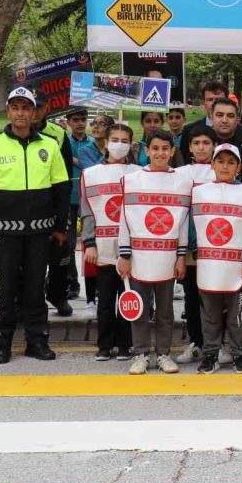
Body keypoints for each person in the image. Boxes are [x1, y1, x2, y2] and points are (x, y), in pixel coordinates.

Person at [0, 87, 68, 364]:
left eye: (26, 108)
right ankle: (1, 343)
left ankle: (36, 342)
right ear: (8, 111)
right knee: (6, 290)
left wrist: (61, 227)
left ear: (34, 111)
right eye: (15, 107)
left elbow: (61, 190)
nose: (21, 113)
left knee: (36, 288)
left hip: (40, 233)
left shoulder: (49, 145)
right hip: (3, 235)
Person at [117, 130, 191, 375]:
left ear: (172, 151)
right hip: (138, 256)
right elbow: (124, 220)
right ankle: (139, 354)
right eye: (155, 148)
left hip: (168, 257)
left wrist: (181, 256)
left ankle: (163, 354)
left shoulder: (183, 182)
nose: (160, 153)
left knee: (166, 310)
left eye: (165, 148)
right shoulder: (132, 180)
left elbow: (183, 223)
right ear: (146, 150)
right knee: (138, 307)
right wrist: (124, 254)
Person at [192, 143, 242, 375]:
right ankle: (210, 353)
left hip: (238, 268)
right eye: (220, 161)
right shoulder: (199, 192)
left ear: (239, 167)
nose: (225, 166)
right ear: (212, 164)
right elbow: (192, 225)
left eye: (231, 162)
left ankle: (240, 354)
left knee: (238, 315)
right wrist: (193, 248)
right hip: (209, 265)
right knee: (210, 315)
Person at [80, 123, 139, 361]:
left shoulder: (139, 172)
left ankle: (126, 344)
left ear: (131, 144)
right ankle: (104, 345)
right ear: (105, 143)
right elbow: (87, 211)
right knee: (105, 300)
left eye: (125, 140)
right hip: (102, 246)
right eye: (115, 139)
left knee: (128, 298)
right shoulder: (91, 174)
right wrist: (89, 242)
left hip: (131, 249)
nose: (119, 144)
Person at [173, 127, 217, 365]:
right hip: (188, 246)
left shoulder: (221, 171)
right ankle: (196, 342)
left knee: (213, 297)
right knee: (191, 296)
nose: (201, 147)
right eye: (196, 142)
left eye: (206, 142)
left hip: (215, 246)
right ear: (189, 147)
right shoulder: (179, 173)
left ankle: (216, 344)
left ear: (214, 146)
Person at [33, 92, 75, 317]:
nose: (35, 112)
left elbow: (66, 176)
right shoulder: (13, 134)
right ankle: (29, 299)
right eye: (31, 107)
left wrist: (63, 209)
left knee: (61, 254)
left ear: (46, 108)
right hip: (29, 206)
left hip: (54, 202)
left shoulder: (59, 134)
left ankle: (58, 295)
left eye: (39, 107)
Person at [66, 108, 97, 304]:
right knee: (68, 244)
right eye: (75, 120)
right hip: (69, 197)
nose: (79, 123)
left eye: (83, 120)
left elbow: (92, 165)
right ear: (68, 122)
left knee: (91, 243)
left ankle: (95, 285)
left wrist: (75, 160)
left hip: (90, 199)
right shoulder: (64, 142)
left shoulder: (93, 143)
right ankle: (72, 283)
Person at [180, 80, 242, 164]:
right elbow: (183, 162)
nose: (214, 103)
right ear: (204, 102)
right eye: (210, 99)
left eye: (218, 99)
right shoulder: (189, 130)